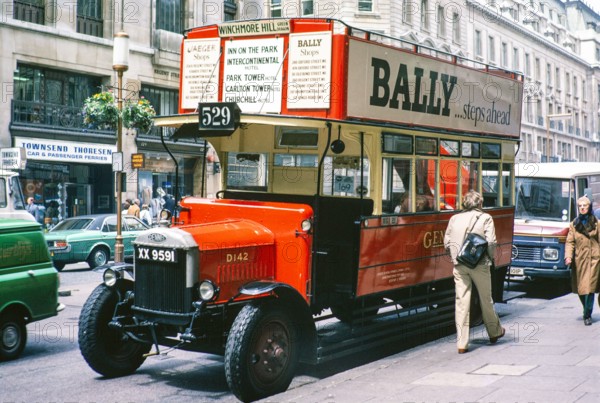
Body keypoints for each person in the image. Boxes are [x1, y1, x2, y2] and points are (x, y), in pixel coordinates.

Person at [444, 190, 505, 354]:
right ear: (479, 203)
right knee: (486, 299)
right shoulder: (486, 218)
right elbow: (491, 242)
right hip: (479, 264)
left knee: (461, 303)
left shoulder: (454, 218)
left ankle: (462, 344)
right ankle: (494, 332)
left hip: (460, 265)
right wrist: (491, 258)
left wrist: (455, 256)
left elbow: (447, 241)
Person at [565, 196, 600, 326]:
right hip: (580, 260)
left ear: (589, 207)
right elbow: (570, 242)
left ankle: (587, 315)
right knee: (581, 288)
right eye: (580, 206)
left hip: (594, 259)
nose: (583, 208)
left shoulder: (596, 222)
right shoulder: (574, 224)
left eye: (585, 205)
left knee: (590, 288)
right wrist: (568, 256)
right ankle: (585, 309)